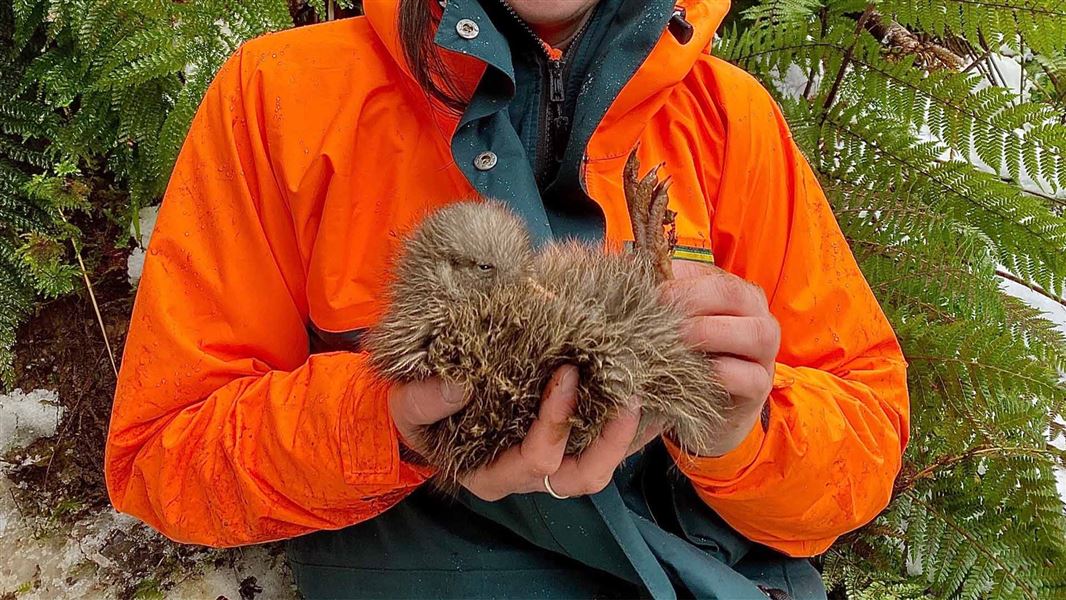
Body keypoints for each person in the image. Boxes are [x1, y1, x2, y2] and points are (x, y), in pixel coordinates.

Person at [104, 0, 910, 597]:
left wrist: (739, 433)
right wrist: (391, 426)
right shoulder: (279, 99)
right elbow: (163, 457)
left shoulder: (729, 121)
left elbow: (864, 441)